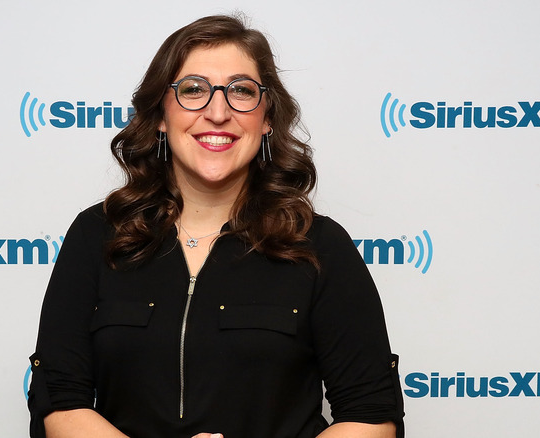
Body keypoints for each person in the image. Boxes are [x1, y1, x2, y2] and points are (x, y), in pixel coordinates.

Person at [28, 14, 405, 438]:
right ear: (159, 115)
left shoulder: (319, 245)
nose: (218, 112)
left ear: (266, 119)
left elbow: (372, 417)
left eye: (242, 91)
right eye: (193, 90)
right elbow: (59, 401)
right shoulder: (97, 234)